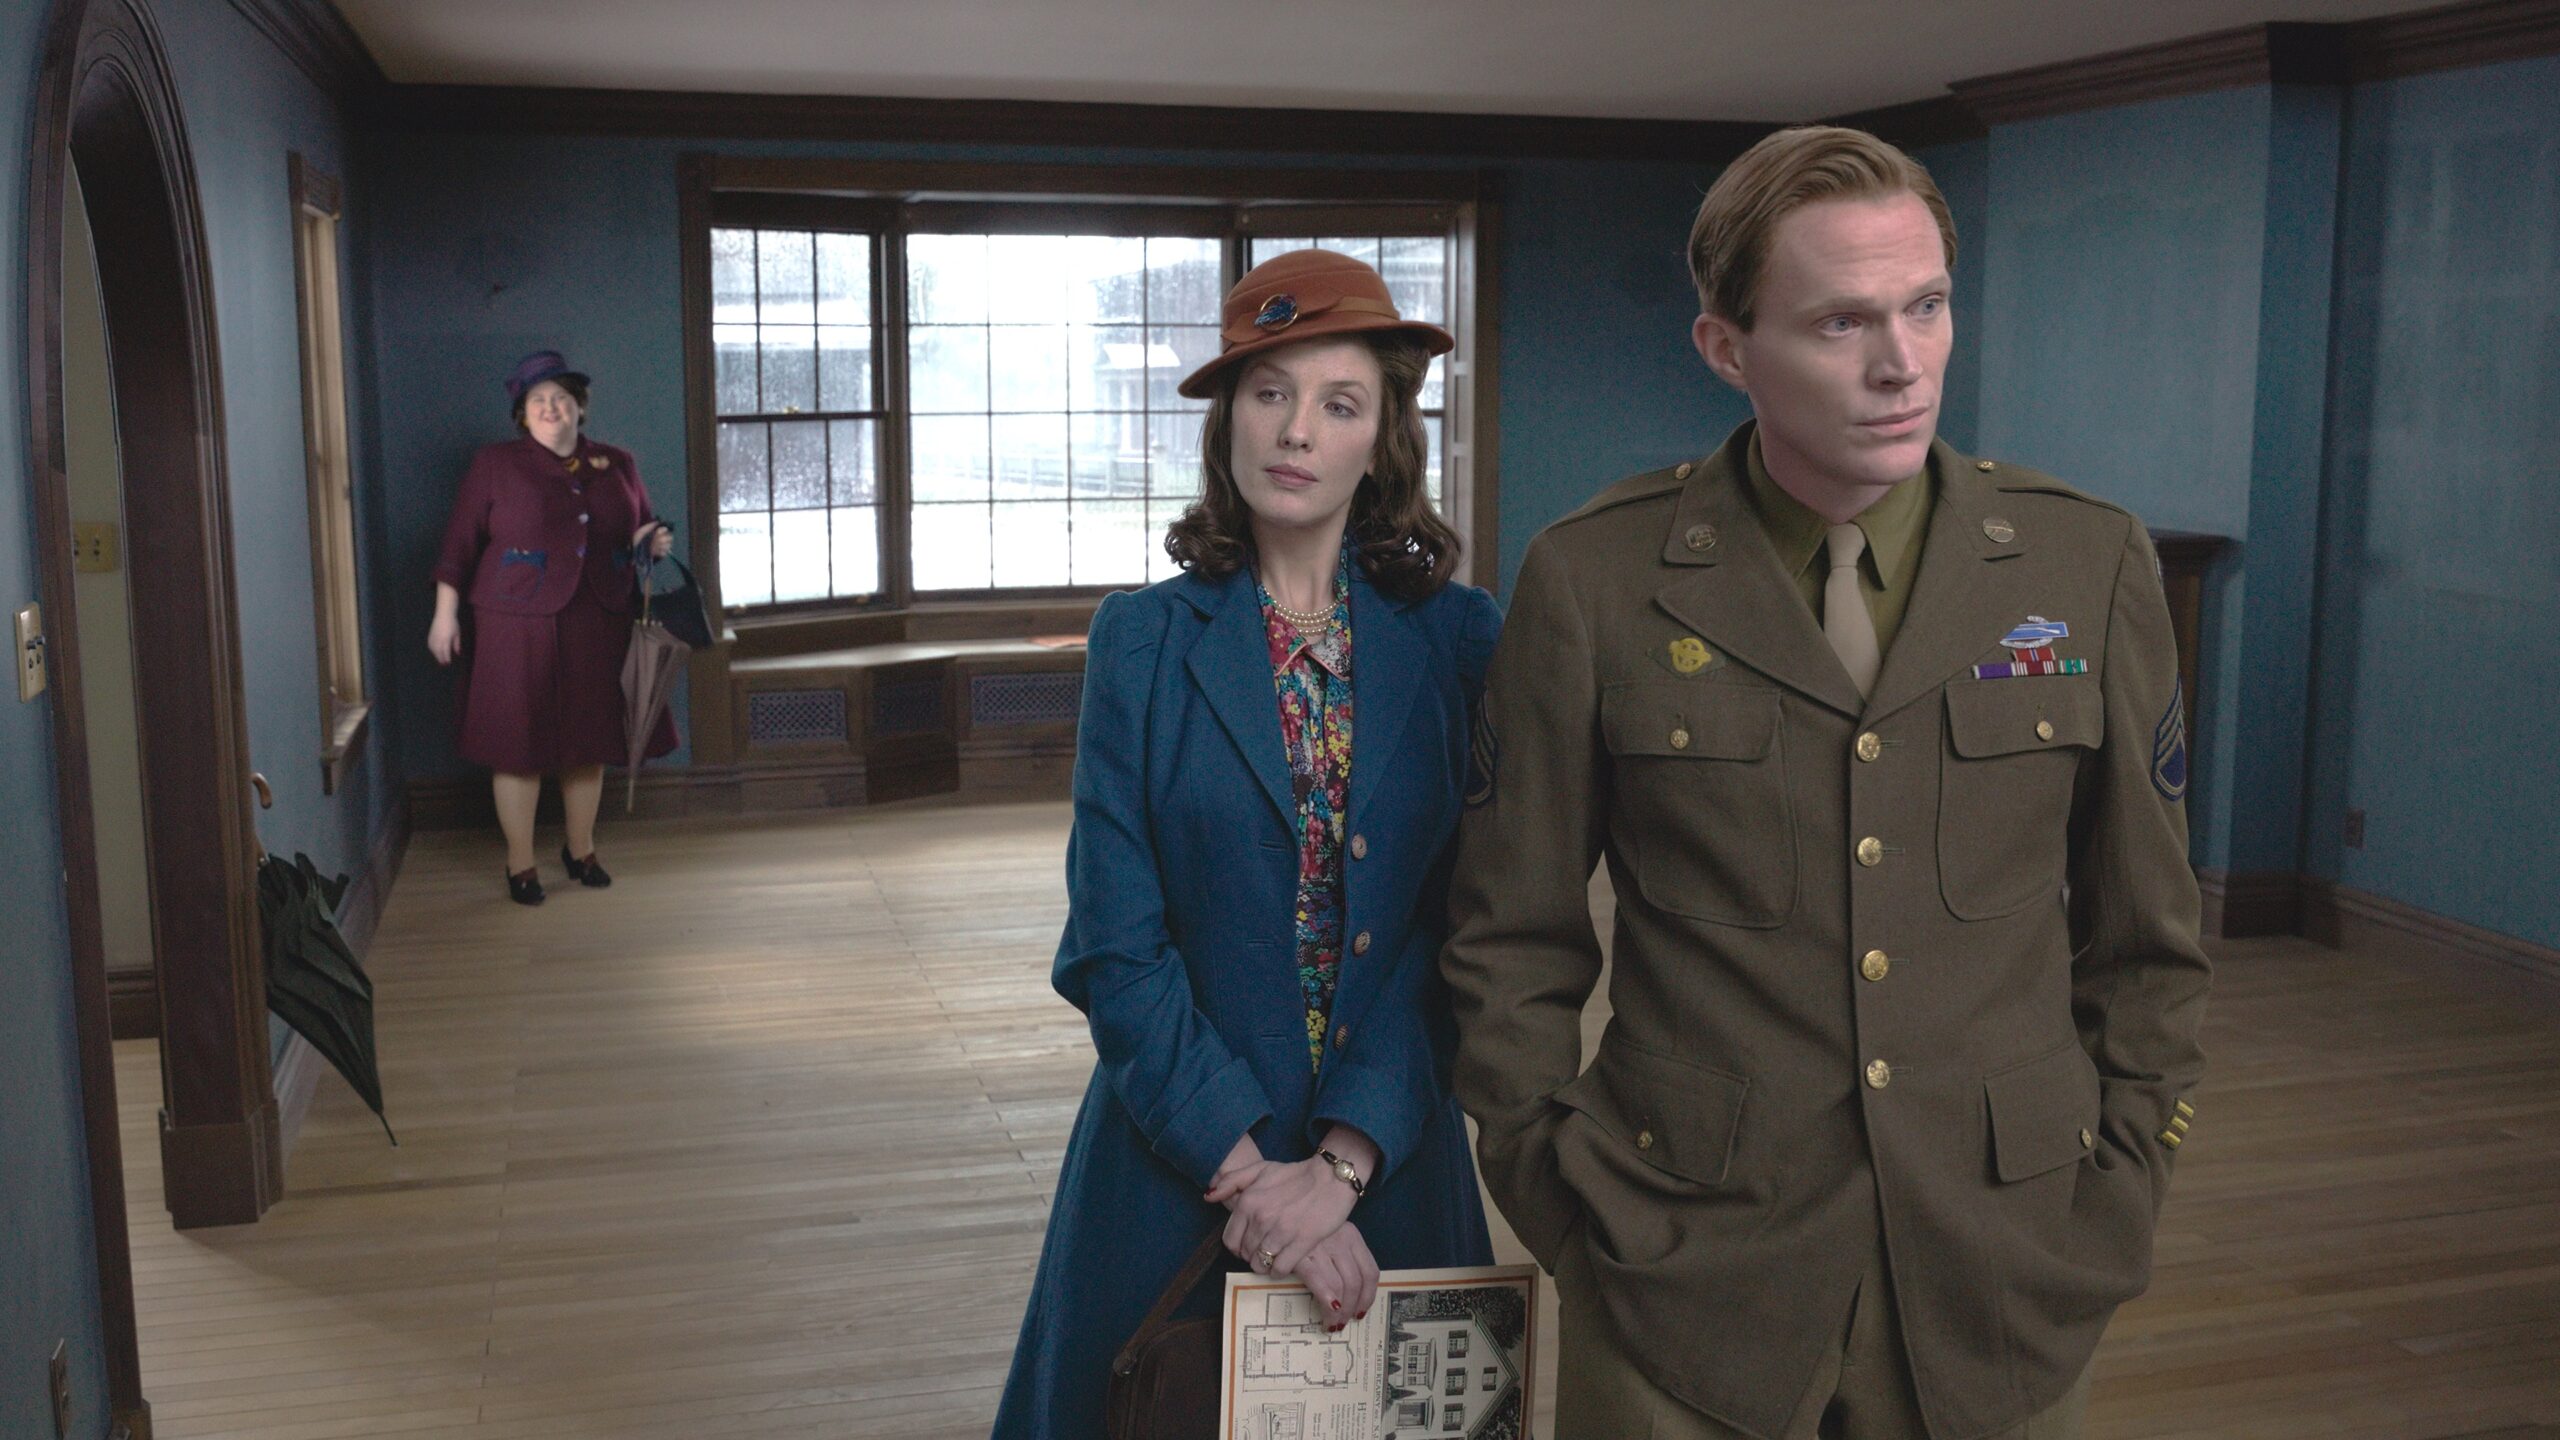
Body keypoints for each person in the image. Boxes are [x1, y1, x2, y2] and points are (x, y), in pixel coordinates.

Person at [1442, 127, 2212, 1440]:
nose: (1901, 363)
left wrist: (2124, 1183)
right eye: (1841, 321)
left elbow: (2149, 940)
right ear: (1726, 348)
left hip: (2007, 1263)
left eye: (1927, 306)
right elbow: (1509, 936)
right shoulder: (1596, 578)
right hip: (1680, 1263)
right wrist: (1560, 1200)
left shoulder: (2084, 564)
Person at [992, 249, 1502, 1437]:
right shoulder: (1140, 641)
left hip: (1389, 1156)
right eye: (1270, 393)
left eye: (1340, 403)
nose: (1297, 430)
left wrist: (1338, 1172)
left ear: (1384, 441)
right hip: (1177, 1160)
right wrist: (1254, 1182)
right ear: (1227, 421)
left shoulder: (1460, 640)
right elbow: (1112, 945)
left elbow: (1465, 926)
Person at [428, 351, 678, 905]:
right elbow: (459, 544)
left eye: (561, 398)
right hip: (514, 623)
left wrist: (650, 542)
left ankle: (580, 850)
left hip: (599, 617)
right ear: (522, 413)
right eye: (538, 400)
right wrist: (445, 614)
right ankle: (520, 864)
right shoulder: (494, 464)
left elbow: (638, 531)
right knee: (517, 746)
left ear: (579, 407)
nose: (551, 408)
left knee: (589, 742)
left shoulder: (618, 463)